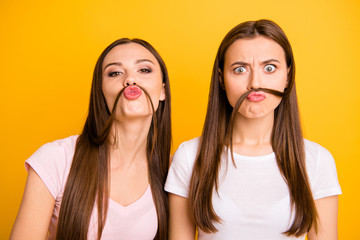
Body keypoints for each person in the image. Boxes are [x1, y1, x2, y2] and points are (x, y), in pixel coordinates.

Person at [165, 20, 341, 240]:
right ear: (221, 79)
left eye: (269, 68)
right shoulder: (190, 155)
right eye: (240, 69)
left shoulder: (316, 160)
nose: (255, 83)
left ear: (287, 77)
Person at [10, 38, 171, 240]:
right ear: (101, 92)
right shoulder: (55, 159)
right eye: (115, 73)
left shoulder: (173, 169)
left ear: (163, 90)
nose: (130, 79)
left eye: (144, 70)